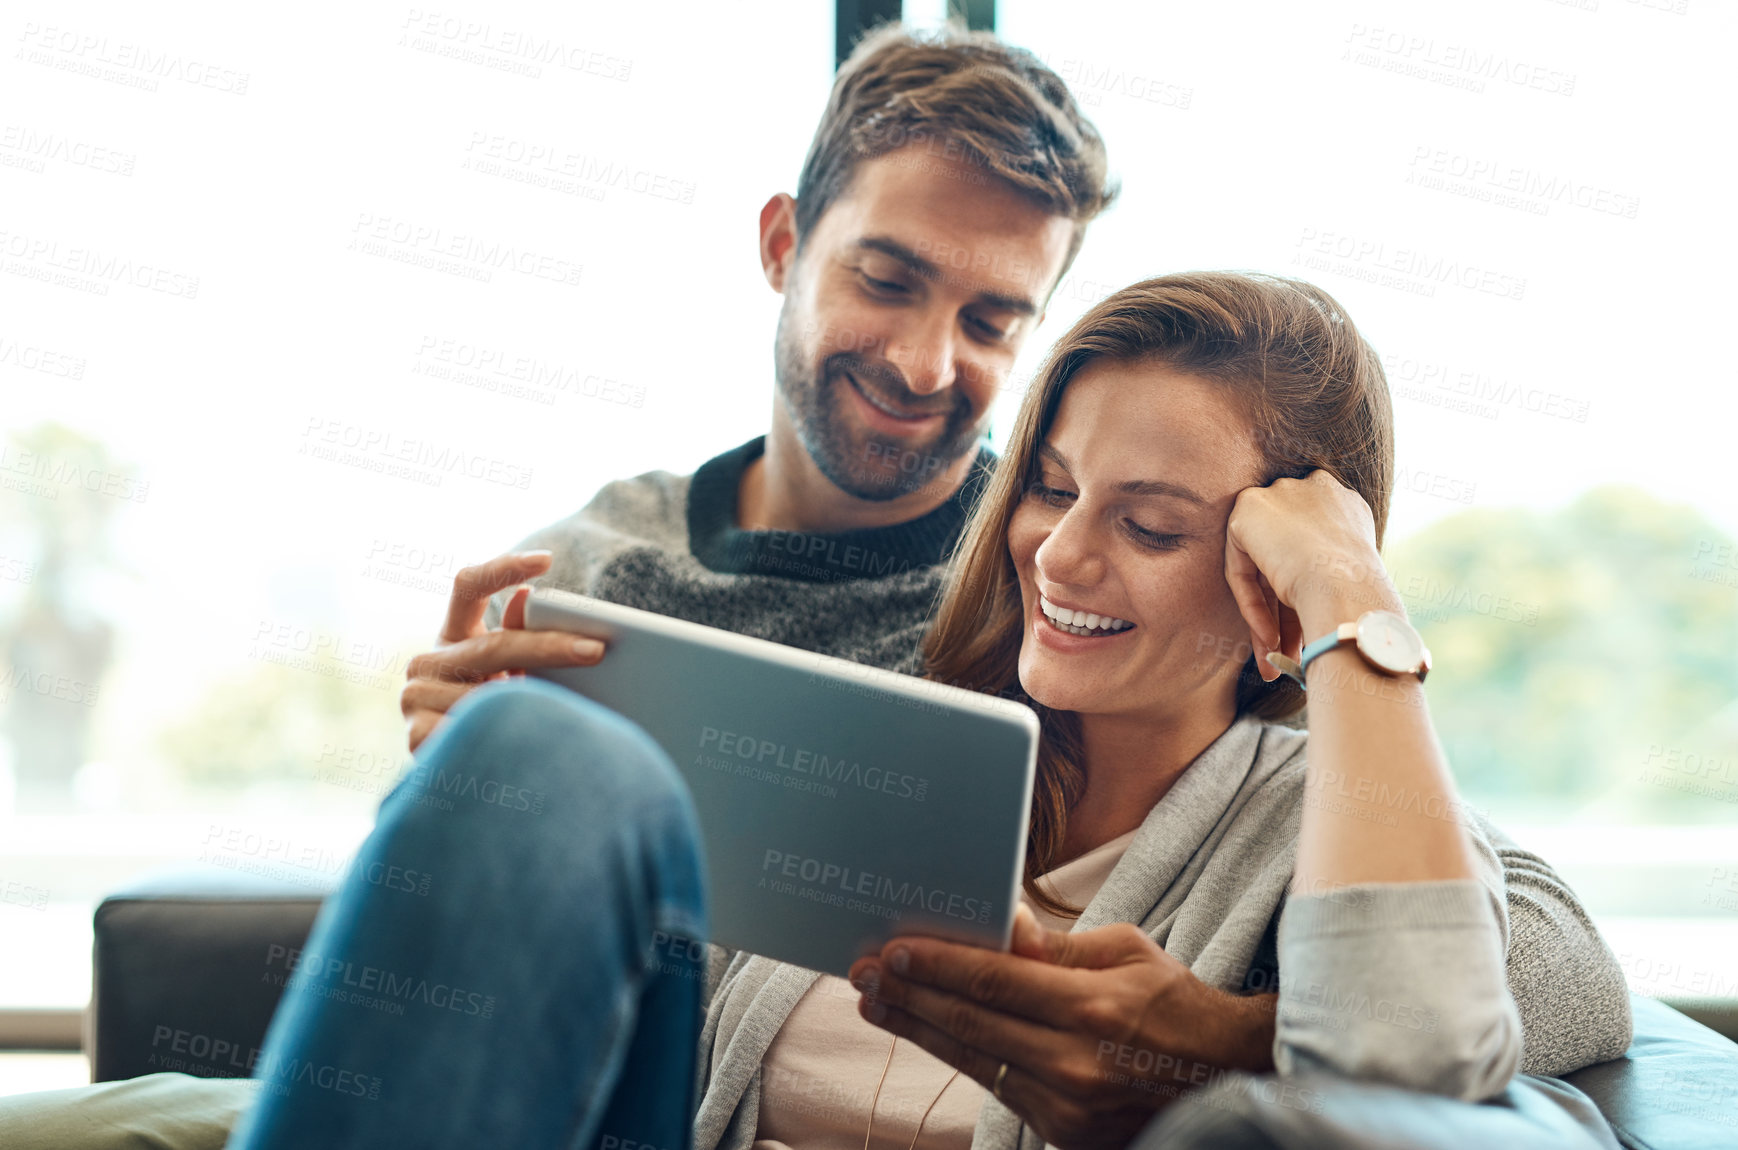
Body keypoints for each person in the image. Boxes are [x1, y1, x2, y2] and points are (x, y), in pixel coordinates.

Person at [0, 27, 1628, 1150]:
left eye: (996, 321)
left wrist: (1203, 1030)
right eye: (889, 278)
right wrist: (456, 778)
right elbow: (484, 970)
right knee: (539, 759)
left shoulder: (1212, 731)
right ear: (785, 242)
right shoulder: (614, 568)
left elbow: (1500, 981)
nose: (930, 364)